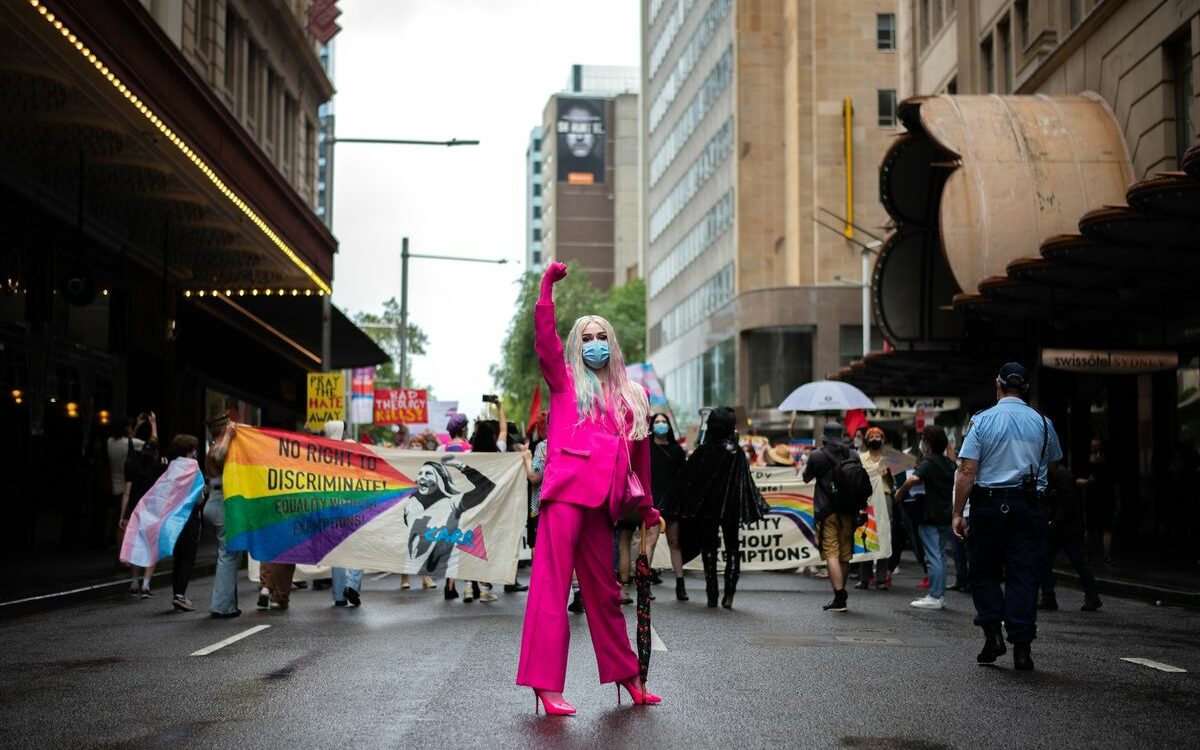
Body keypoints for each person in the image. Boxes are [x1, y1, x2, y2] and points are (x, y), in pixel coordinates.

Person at [516, 262, 662, 715]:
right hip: (563, 499)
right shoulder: (562, 383)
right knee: (549, 590)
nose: (595, 344)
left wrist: (649, 510)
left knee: (606, 595)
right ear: (575, 345)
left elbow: (640, 460)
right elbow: (543, 340)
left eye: (602, 337)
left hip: (603, 504)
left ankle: (628, 678)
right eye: (586, 337)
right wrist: (545, 290)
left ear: (612, 345)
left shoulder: (631, 395)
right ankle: (545, 685)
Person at [954, 362, 1062, 671]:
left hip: (988, 507)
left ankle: (993, 635)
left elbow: (967, 470)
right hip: (1029, 507)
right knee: (1023, 575)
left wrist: (958, 513)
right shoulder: (1043, 423)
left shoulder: (982, 421)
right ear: (1025, 388)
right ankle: (1022, 649)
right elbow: (1053, 464)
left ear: (998, 384)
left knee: (984, 572)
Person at [660, 406, 768, 609]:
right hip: (732, 506)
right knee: (733, 546)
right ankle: (729, 593)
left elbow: (687, 480)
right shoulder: (736, 453)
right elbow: (744, 481)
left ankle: (712, 594)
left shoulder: (704, 451)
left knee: (709, 548)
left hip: (708, 508)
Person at [803, 421, 865, 613]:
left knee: (831, 552)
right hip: (849, 510)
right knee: (845, 554)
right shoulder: (853, 454)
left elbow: (806, 477)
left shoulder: (817, 456)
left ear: (824, 436)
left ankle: (839, 596)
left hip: (826, 510)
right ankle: (840, 593)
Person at [896, 425, 955, 610]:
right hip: (945, 514)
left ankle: (935, 596)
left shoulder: (928, 463)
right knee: (941, 556)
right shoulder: (949, 463)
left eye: (923, 439)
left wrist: (900, 492)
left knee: (933, 557)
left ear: (927, 443)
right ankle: (939, 595)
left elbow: (913, 479)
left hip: (929, 515)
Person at [1039, 460, 1102, 612]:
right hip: (1060, 528)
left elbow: (1068, 502)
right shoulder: (1054, 475)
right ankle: (1049, 598)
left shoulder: (1061, 475)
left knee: (1078, 562)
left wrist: (1055, 522)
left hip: (1067, 529)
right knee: (1044, 561)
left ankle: (1092, 597)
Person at [119, 413, 161, 597]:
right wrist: (153, 424)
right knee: (150, 547)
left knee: (135, 546)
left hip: (134, 511)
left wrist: (123, 515)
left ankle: (134, 582)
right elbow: (155, 443)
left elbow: (129, 447)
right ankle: (146, 584)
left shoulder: (133, 467)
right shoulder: (158, 468)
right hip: (152, 512)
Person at [324, 420, 366, 607]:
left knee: (337, 549)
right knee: (357, 545)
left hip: (331, 505)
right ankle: (352, 583)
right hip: (353, 503)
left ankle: (339, 594)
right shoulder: (353, 448)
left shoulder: (322, 451)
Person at [204, 415, 241, 618]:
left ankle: (229, 604)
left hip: (218, 500)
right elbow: (219, 456)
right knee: (227, 555)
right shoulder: (217, 446)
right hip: (220, 501)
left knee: (230, 553)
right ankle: (221, 606)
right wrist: (228, 433)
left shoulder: (217, 445)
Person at [650, 413, 688, 600]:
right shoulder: (647, 450)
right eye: (657, 422)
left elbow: (684, 479)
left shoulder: (677, 451)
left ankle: (680, 585)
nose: (661, 424)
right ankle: (645, 584)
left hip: (672, 503)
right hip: (653, 503)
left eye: (664, 421)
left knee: (675, 542)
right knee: (651, 541)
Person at [856, 427, 893, 591]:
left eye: (878, 435)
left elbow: (894, 484)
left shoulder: (889, 459)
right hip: (866, 499)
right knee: (865, 534)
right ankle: (864, 578)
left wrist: (887, 475)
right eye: (872, 436)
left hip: (884, 498)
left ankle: (881, 578)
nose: (875, 438)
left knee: (884, 534)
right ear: (867, 440)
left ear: (883, 439)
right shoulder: (861, 458)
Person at [106, 415, 146, 547]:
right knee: (124, 522)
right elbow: (149, 443)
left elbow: (128, 441)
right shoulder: (132, 443)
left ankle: (116, 550)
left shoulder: (110, 441)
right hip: (127, 487)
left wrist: (137, 425)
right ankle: (121, 554)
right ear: (126, 429)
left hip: (114, 485)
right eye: (129, 426)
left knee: (117, 519)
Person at [1082, 437, 1119, 565]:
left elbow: (1114, 483)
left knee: (1099, 529)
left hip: (1103, 498)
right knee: (1094, 529)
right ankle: (1096, 556)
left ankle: (1097, 556)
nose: (1095, 449)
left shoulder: (1106, 463)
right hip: (1094, 499)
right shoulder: (1090, 463)